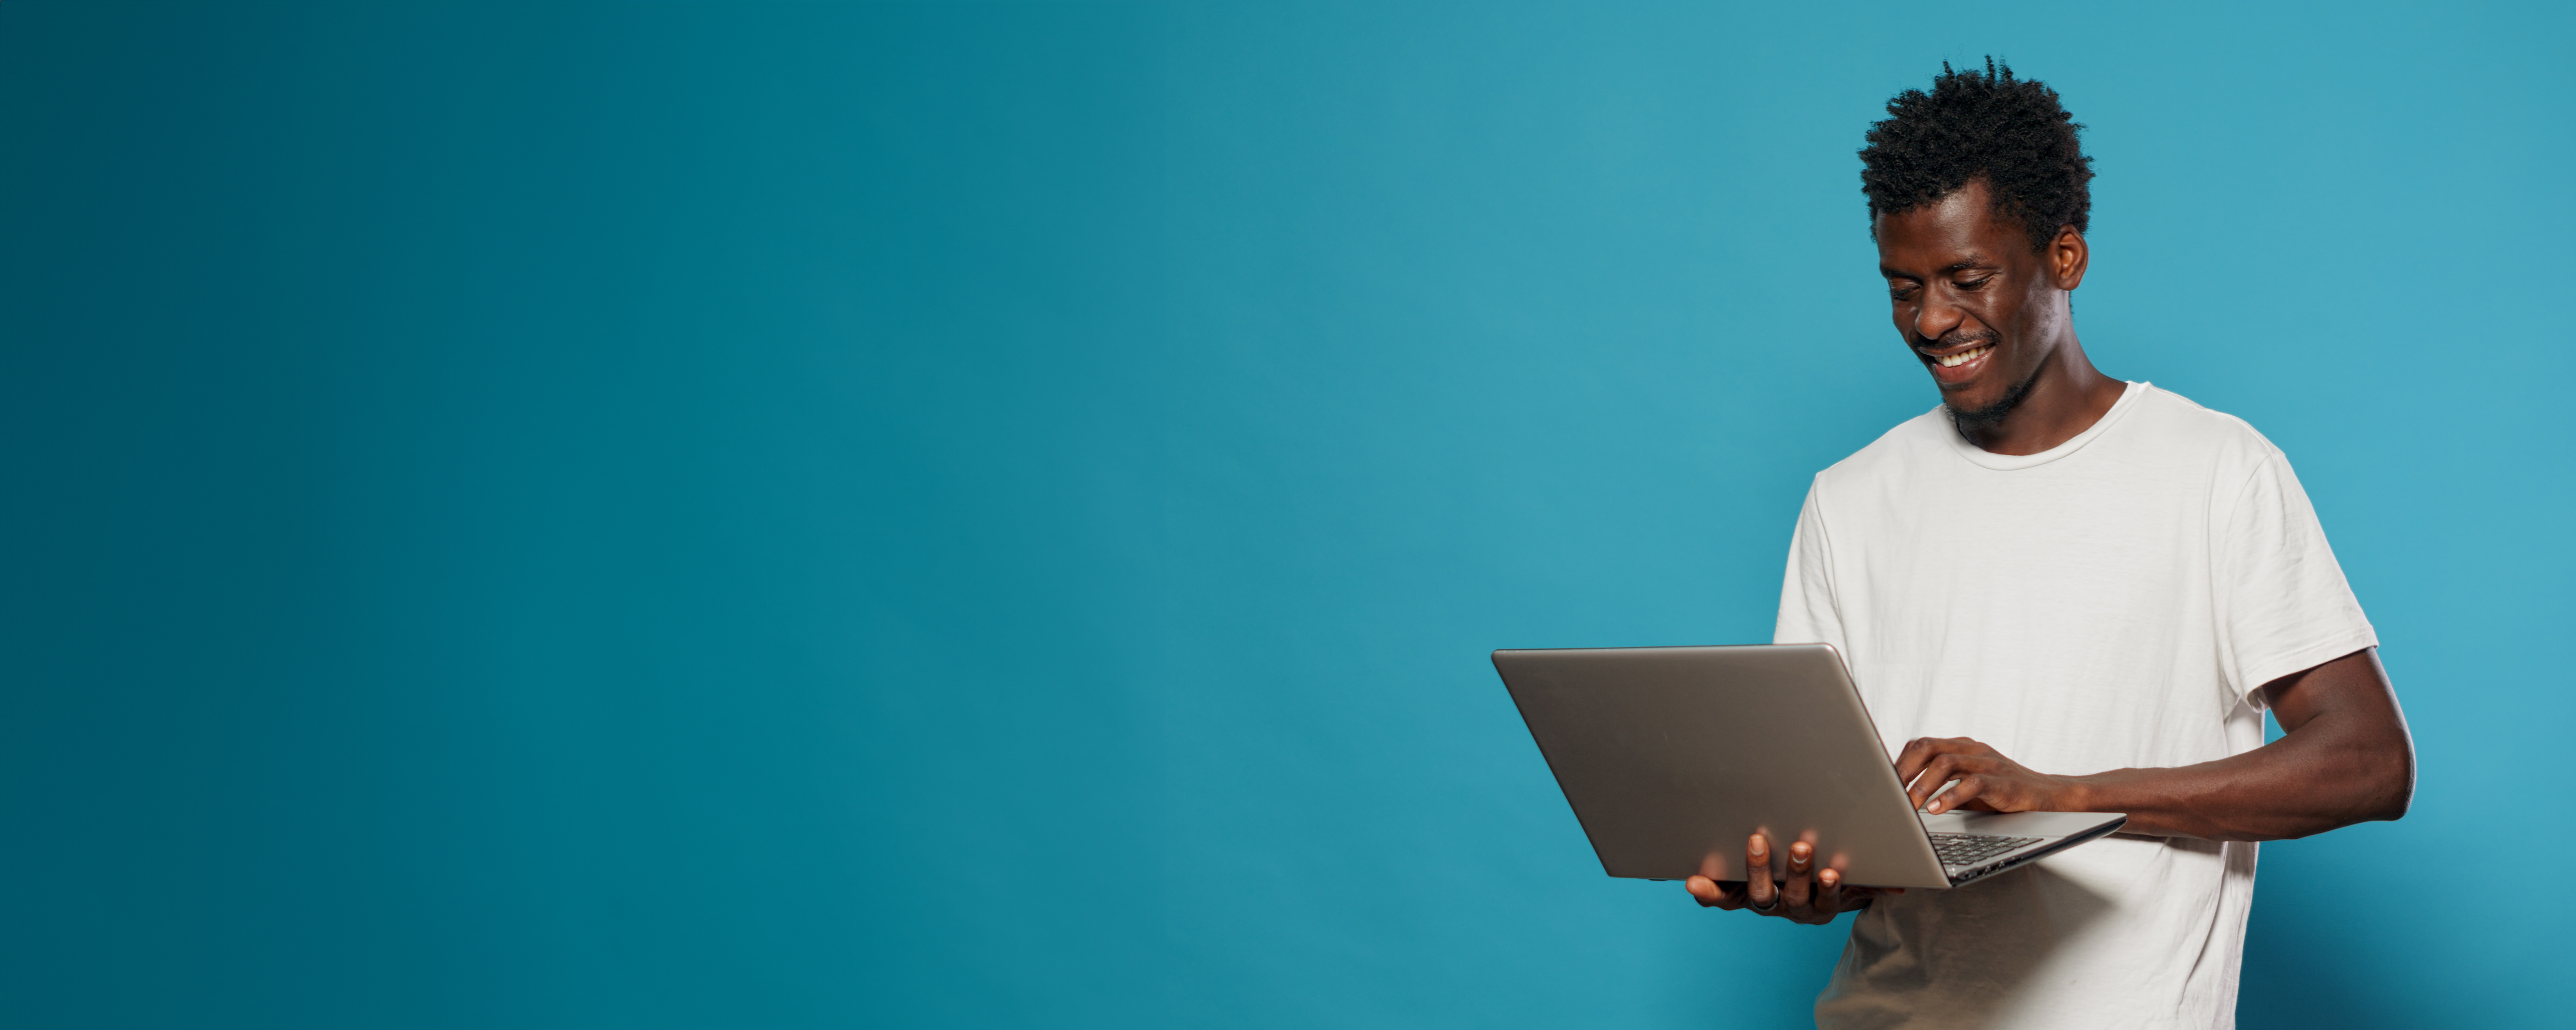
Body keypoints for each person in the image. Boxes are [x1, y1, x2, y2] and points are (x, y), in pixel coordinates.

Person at [1681, 60, 2416, 1028]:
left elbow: (2369, 760)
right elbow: (1846, 827)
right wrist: (1806, 878)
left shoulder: (2217, 471)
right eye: (1903, 287)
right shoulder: (1846, 500)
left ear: (2064, 258)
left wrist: (2059, 795)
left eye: (1966, 279)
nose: (1931, 320)